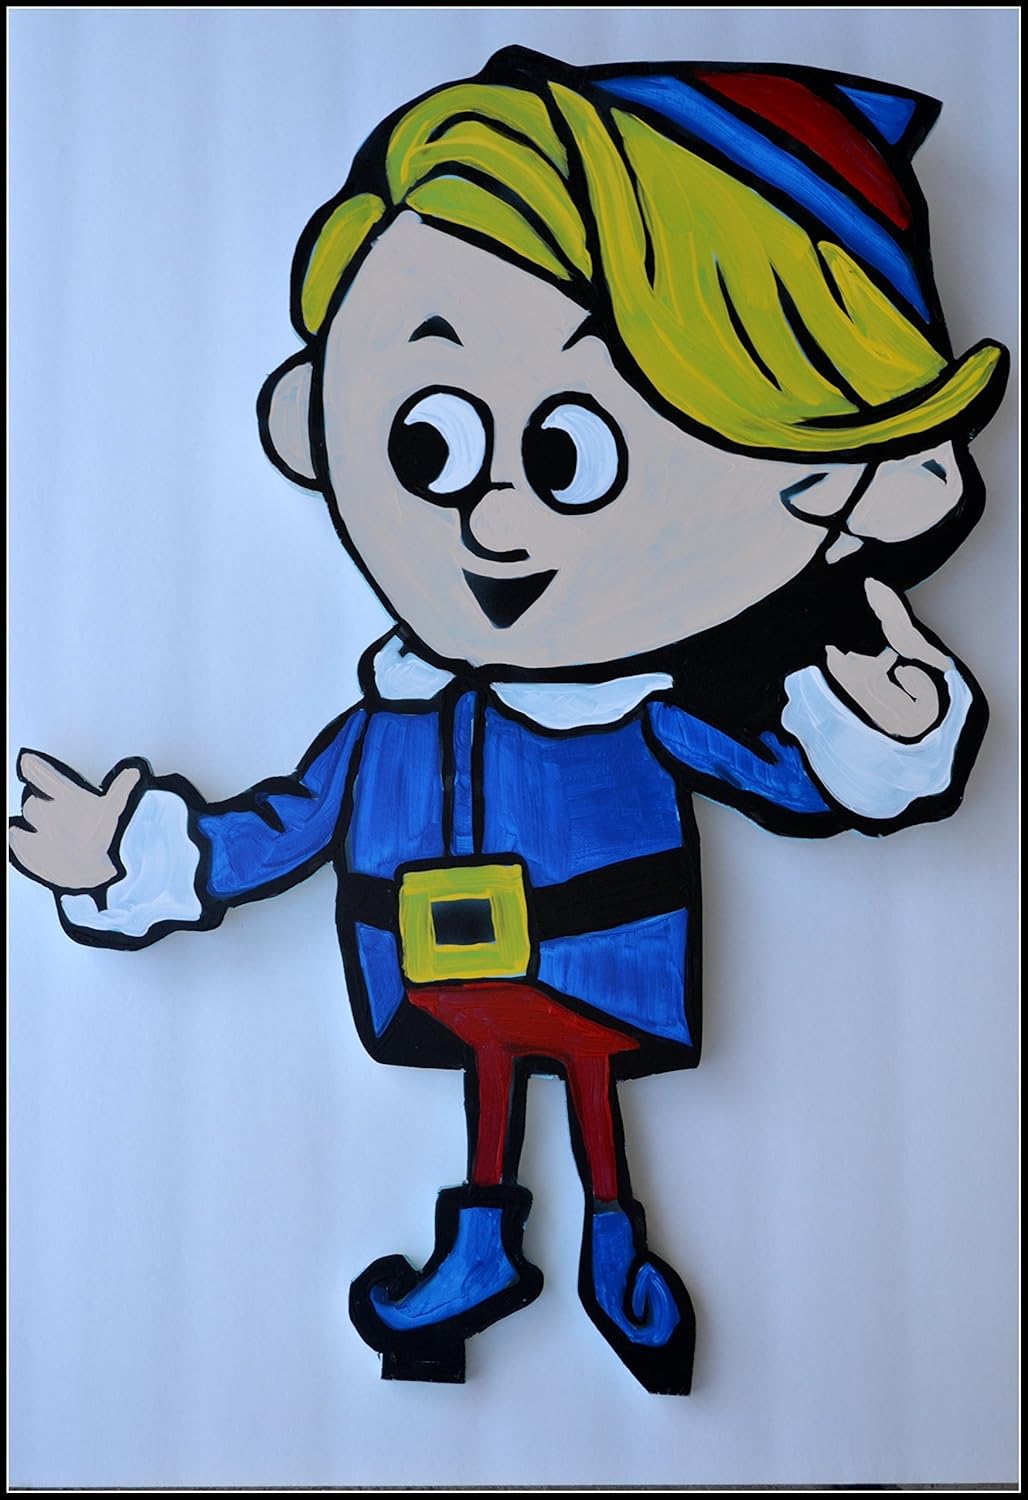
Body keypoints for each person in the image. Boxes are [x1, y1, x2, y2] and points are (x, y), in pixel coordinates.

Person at [8, 48, 1007, 1395]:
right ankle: (485, 1248)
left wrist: (881, 735)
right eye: (427, 442)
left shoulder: (636, 709)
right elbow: (279, 829)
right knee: (494, 1077)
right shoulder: (392, 720)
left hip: (589, 953)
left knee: (583, 1086)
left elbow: (778, 773)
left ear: (841, 483)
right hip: (445, 962)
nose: (492, 520)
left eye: (569, 455)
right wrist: (131, 856)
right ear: (316, 420)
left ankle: (611, 1243)